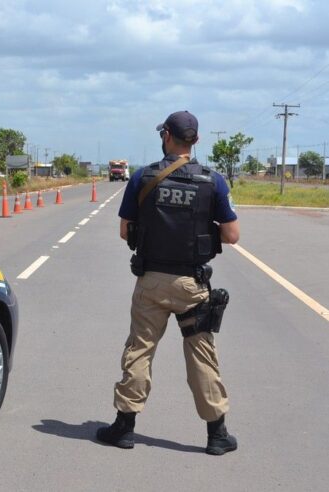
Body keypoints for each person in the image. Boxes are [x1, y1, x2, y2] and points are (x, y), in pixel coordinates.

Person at [97, 110, 240, 455]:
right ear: (197, 141)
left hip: (152, 281)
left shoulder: (142, 177)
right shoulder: (214, 181)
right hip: (193, 284)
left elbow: (123, 231)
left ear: (166, 137)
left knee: (139, 350)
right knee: (202, 355)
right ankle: (217, 435)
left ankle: (125, 428)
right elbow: (232, 235)